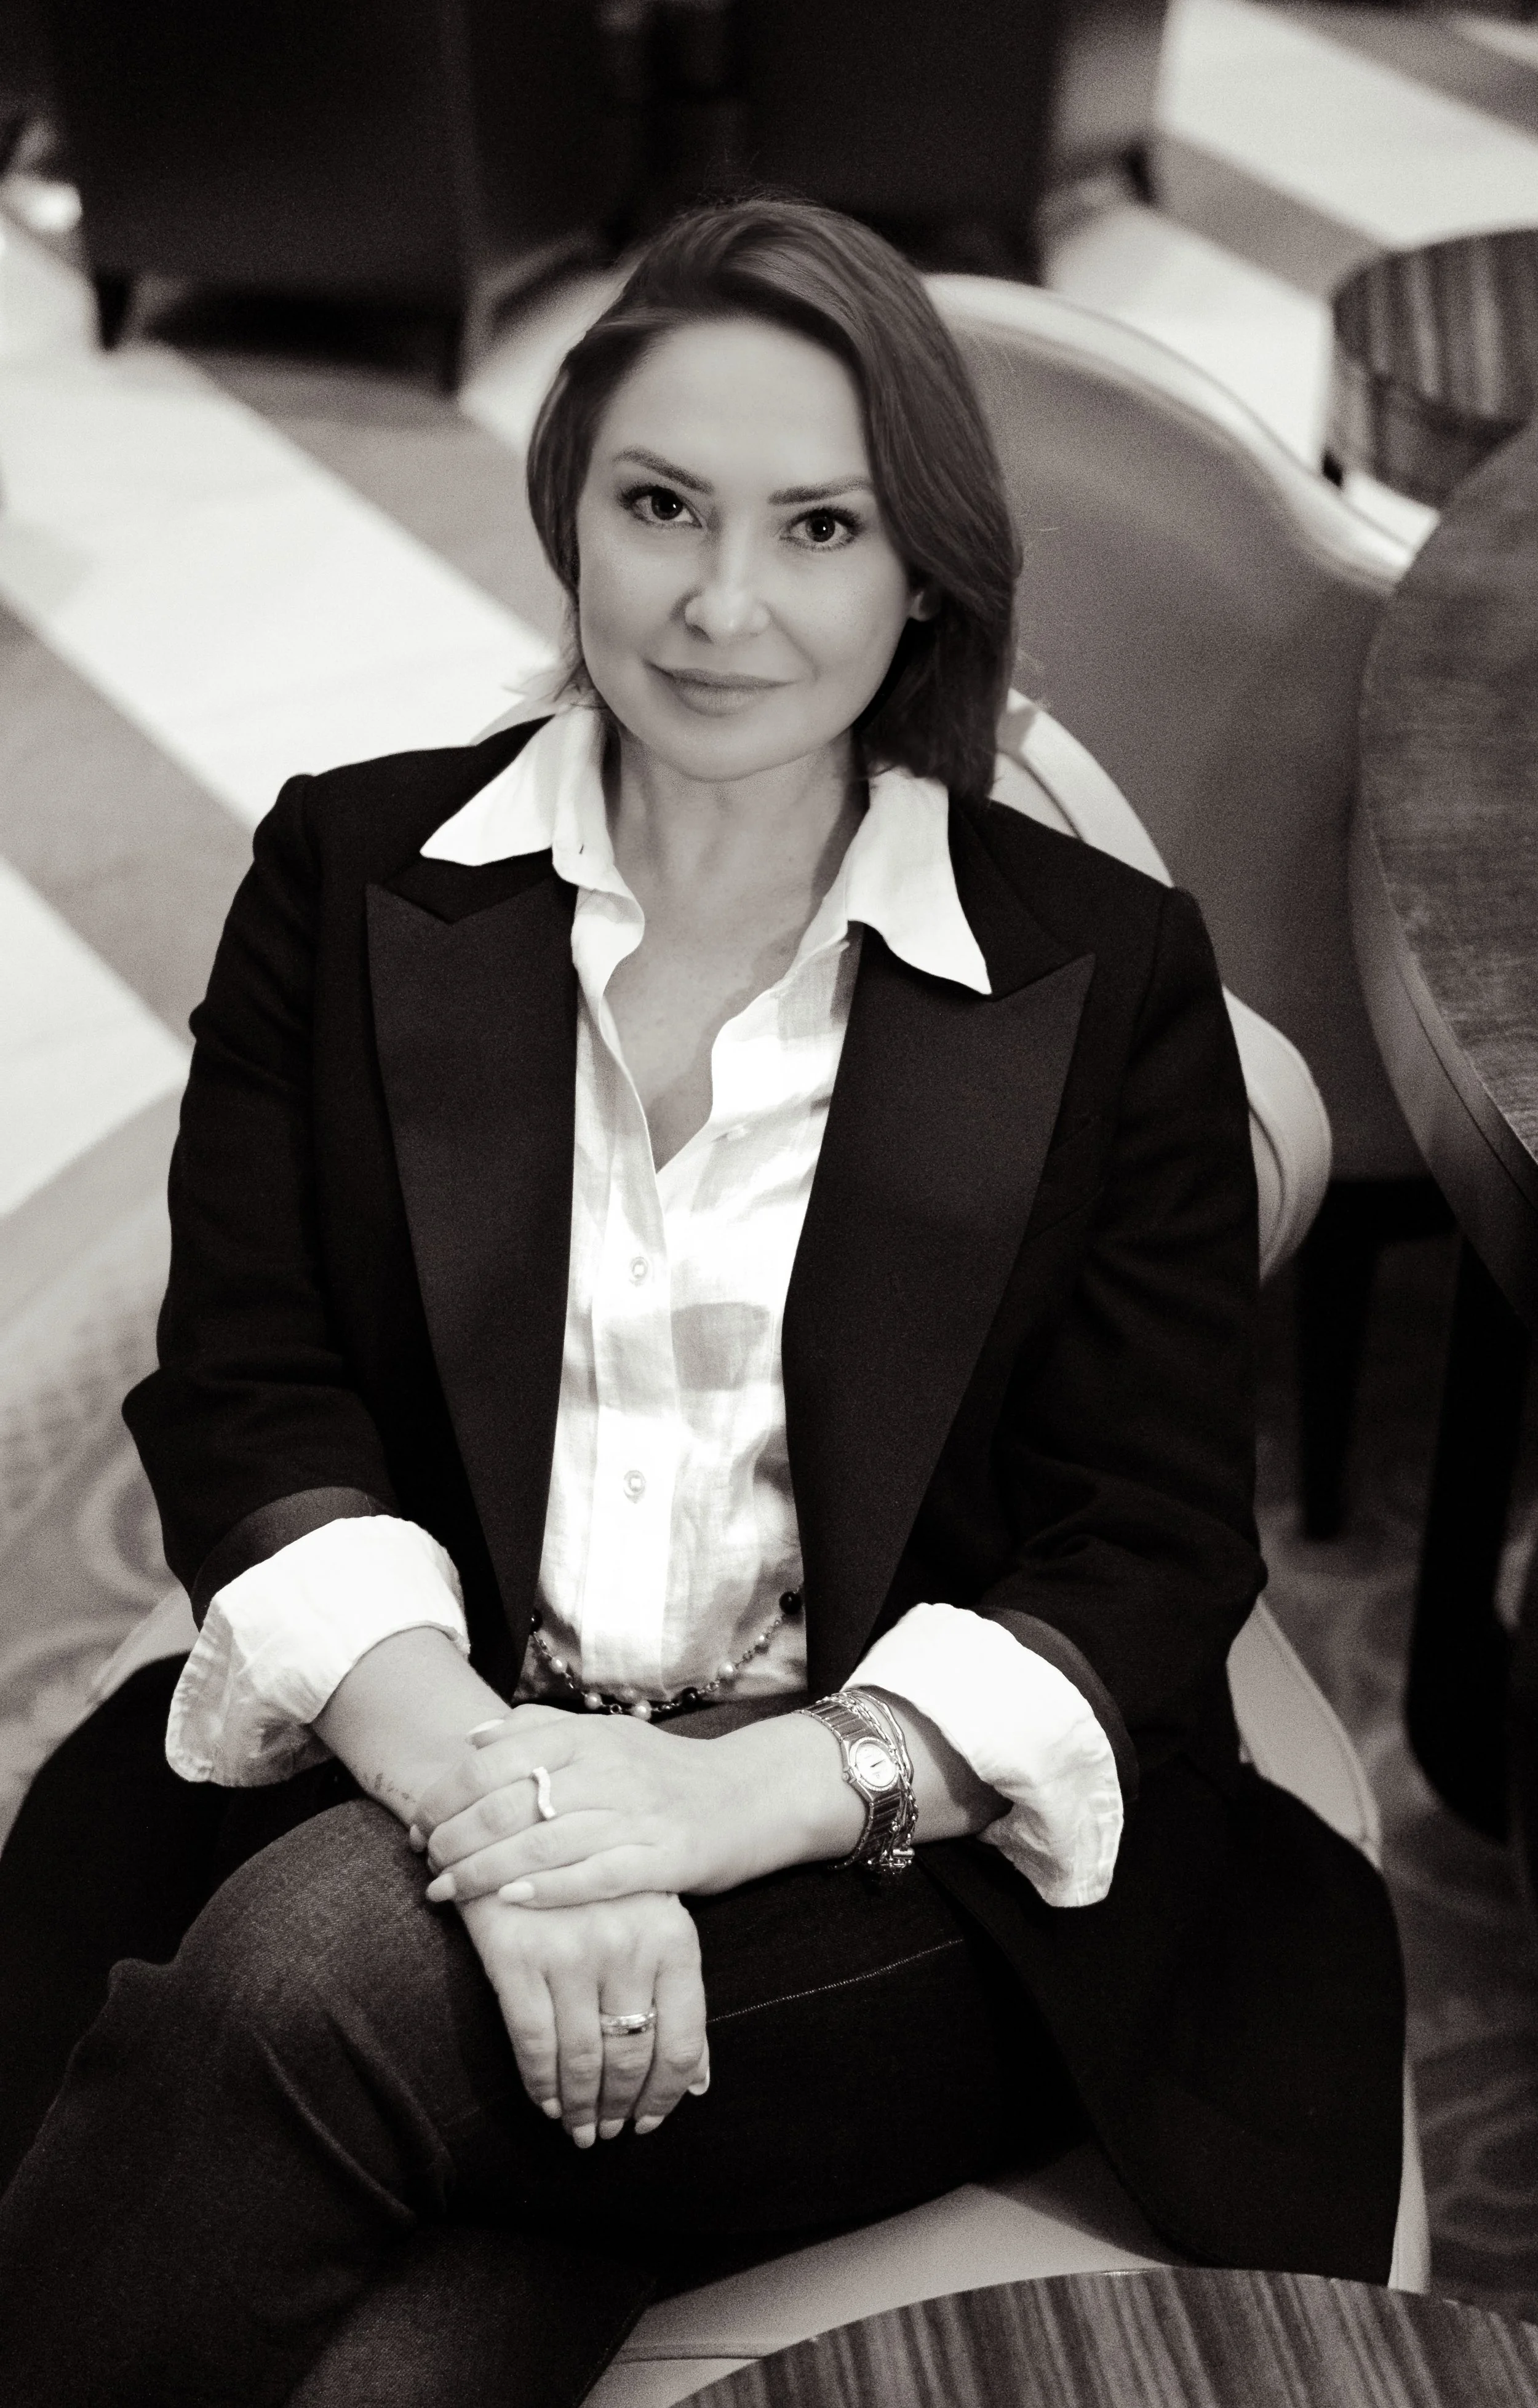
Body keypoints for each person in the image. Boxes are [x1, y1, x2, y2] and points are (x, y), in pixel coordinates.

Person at [0, 197, 1405, 2406]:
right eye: (660, 504)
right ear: (570, 509)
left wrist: (715, 1812)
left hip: (887, 1869)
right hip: (442, 1740)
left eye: (817, 526)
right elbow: (253, 1393)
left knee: (315, 1971)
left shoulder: (1097, 972)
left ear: (923, 570)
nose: (722, 603)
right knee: (397, 2350)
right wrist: (510, 1813)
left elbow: (1139, 1554)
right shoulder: (352, 874)